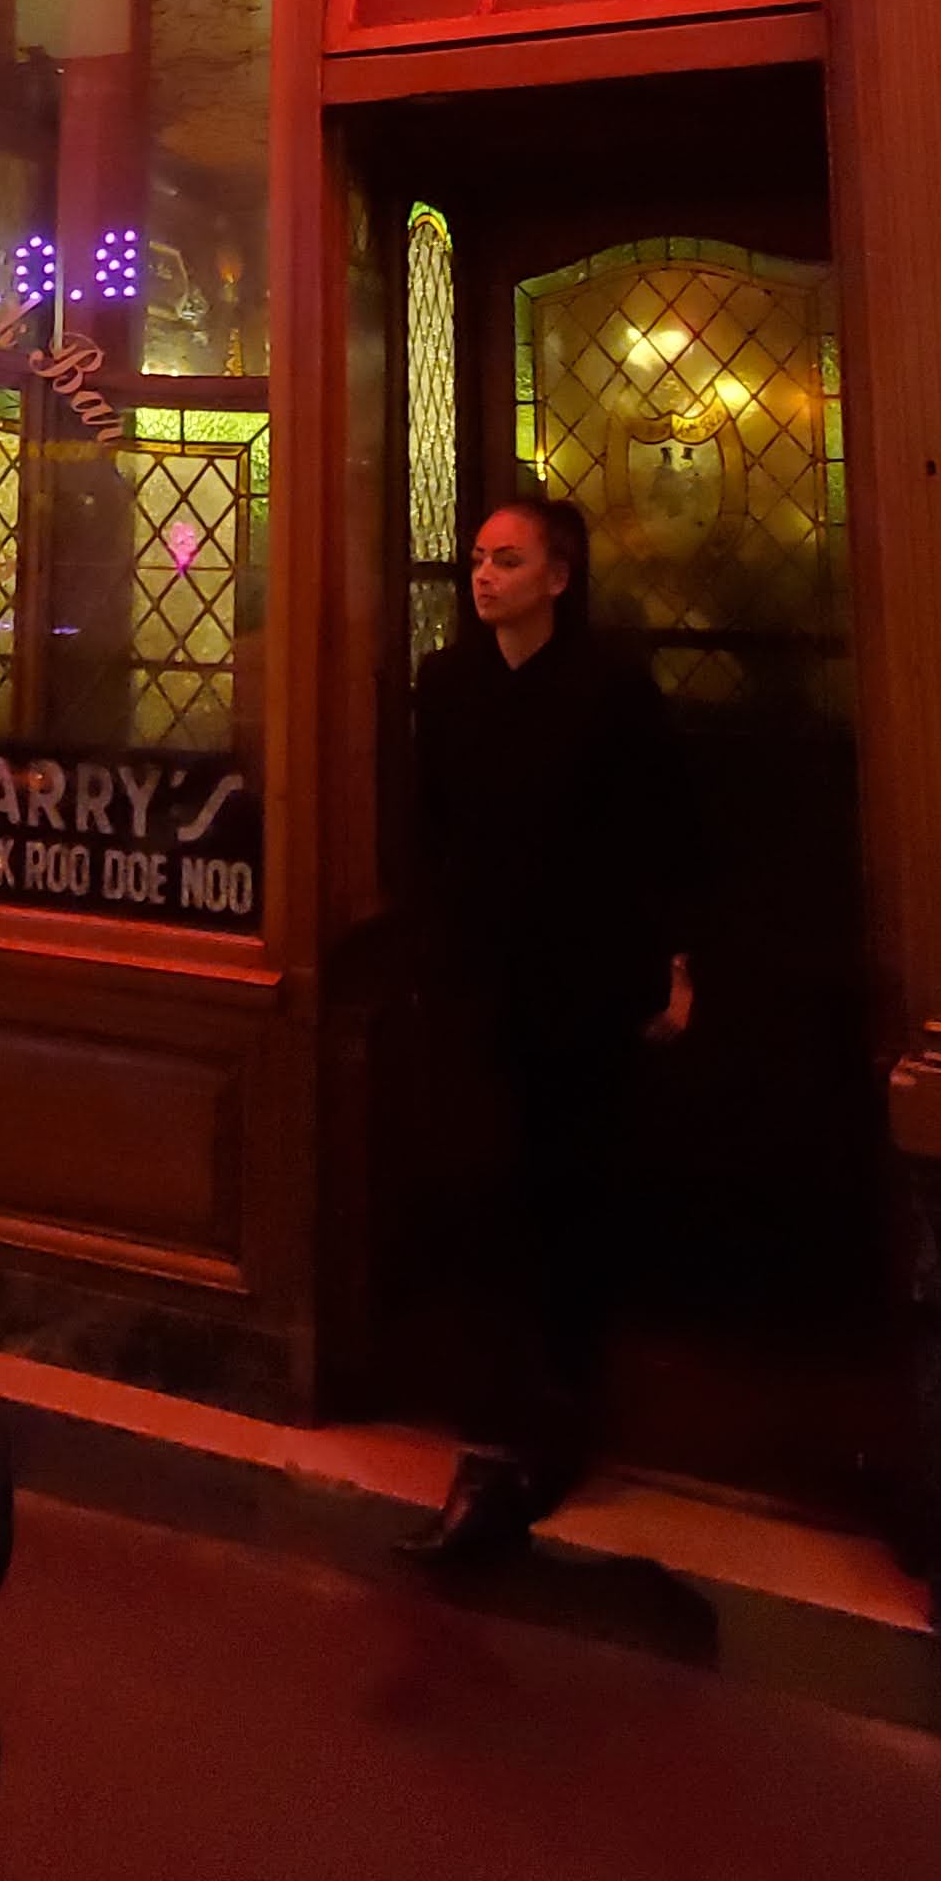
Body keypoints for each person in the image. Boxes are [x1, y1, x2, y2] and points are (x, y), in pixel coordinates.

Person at [400, 491, 693, 1562]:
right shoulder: (448, 684)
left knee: (573, 1192)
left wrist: (672, 965)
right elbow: (432, 828)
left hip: (585, 982)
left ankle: (557, 1423)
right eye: (478, 559)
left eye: (508, 561)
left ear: (558, 578)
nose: (484, 577)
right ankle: (498, 1426)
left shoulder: (611, 688)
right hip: (483, 980)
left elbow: (661, 836)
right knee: (490, 1192)